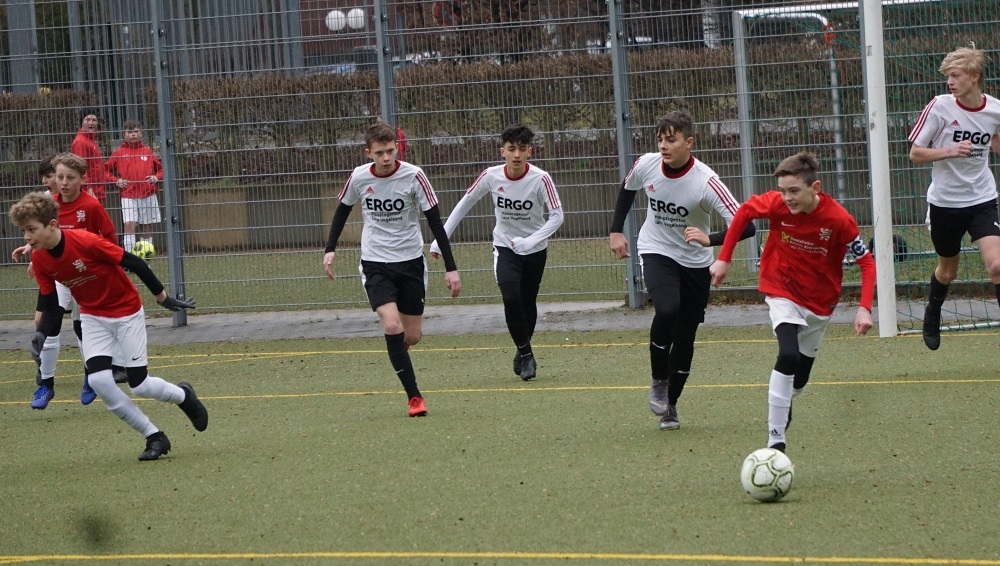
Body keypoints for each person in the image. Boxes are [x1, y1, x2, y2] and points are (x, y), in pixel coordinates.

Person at [10, 191, 206, 461]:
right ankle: (154, 436)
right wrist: (41, 333)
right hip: (92, 316)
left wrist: (163, 298)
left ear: (52, 225)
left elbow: (134, 262)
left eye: (32, 230)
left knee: (140, 386)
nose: (27, 237)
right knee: (99, 381)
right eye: (23, 231)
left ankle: (183, 395)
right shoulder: (41, 259)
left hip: (126, 311)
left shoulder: (85, 241)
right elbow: (52, 304)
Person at [709, 151, 876, 453]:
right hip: (781, 289)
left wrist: (864, 307)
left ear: (815, 188)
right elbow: (744, 212)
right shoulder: (777, 204)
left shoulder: (839, 220)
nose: (787, 198)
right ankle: (776, 441)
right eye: (783, 191)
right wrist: (724, 258)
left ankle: (787, 400)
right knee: (787, 354)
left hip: (819, 304)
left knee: (798, 380)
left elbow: (866, 262)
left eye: (794, 191)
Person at [609, 110, 755, 431]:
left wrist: (709, 239)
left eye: (671, 140)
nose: (663, 145)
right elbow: (628, 188)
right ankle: (658, 380)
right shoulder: (646, 164)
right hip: (656, 250)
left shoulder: (706, 181)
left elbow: (747, 226)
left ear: (689, 142)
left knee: (686, 337)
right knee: (666, 308)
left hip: (695, 263)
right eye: (660, 139)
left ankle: (671, 406)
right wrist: (616, 230)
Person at [322, 121, 462, 417]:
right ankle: (414, 398)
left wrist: (451, 268)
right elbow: (342, 210)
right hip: (375, 263)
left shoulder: (414, 175)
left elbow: (435, 222)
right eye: (379, 153)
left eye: (390, 151)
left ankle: (399, 350)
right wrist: (330, 249)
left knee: (412, 336)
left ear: (397, 148)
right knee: (391, 326)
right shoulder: (359, 177)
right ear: (368, 153)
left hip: (410, 262)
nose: (386, 158)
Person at [430, 124, 563, 380]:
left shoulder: (540, 178)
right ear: (502, 151)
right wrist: (440, 240)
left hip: (535, 250)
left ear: (530, 152)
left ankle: (521, 350)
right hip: (504, 247)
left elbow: (557, 216)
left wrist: (531, 241)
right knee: (511, 295)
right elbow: (464, 205)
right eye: (511, 149)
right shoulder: (490, 176)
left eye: (522, 149)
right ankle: (526, 354)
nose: (516, 155)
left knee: (527, 302)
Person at [907, 44, 1000, 351]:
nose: (950, 81)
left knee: (997, 266)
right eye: (947, 76)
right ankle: (932, 313)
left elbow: (994, 138)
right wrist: (949, 150)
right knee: (948, 270)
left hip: (982, 199)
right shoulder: (940, 107)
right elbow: (915, 153)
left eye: (956, 75)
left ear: (974, 77)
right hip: (945, 203)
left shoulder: (995, 110)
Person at [12, 153, 121, 409]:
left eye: (69, 178)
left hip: (87, 276)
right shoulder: (50, 205)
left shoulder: (91, 206)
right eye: (59, 177)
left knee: (84, 328)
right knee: (50, 322)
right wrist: (31, 249)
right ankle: (45, 385)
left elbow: (109, 239)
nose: (63, 182)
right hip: (59, 274)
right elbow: (42, 231)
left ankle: (89, 378)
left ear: (82, 179)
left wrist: (104, 266)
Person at [105, 119, 164, 254]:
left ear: (141, 133)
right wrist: (116, 180)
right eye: (129, 132)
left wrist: (156, 177)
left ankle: (146, 259)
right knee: (129, 224)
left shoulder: (147, 151)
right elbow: (105, 171)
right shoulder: (119, 153)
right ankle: (129, 259)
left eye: (136, 131)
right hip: (128, 194)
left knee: (146, 227)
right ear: (124, 134)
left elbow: (161, 169)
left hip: (147, 194)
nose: (133, 134)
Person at [70, 108, 113, 204]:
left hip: (97, 190)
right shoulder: (80, 142)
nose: (91, 123)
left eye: (94, 120)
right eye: (88, 119)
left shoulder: (90, 140)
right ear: (82, 122)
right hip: (90, 193)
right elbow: (80, 169)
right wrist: (89, 190)